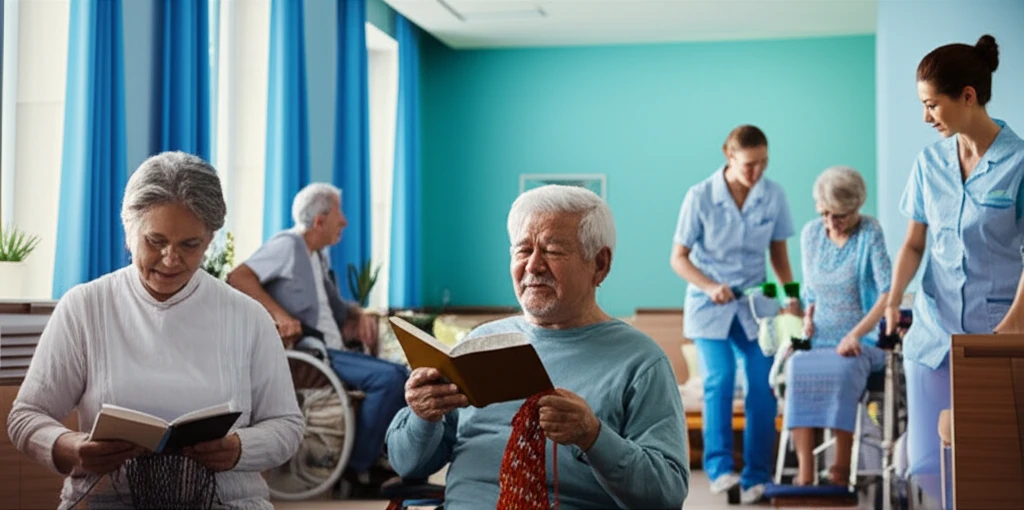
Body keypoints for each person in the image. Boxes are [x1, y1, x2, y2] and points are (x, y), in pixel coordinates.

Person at [6, 151, 304, 509]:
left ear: (209, 240)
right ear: (129, 231)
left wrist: (239, 449)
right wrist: (71, 448)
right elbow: (26, 416)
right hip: (111, 502)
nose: (170, 259)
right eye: (155, 241)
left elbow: (287, 425)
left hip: (226, 502)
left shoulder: (248, 316)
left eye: (189, 245)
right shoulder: (86, 307)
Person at [385, 185, 689, 509]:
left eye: (553, 251)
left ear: (599, 265)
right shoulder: (478, 344)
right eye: (522, 250)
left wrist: (593, 436)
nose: (533, 266)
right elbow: (407, 465)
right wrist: (422, 417)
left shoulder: (641, 362)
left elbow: (665, 495)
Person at [884, 34, 1024, 499]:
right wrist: (892, 299)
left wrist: (1013, 325)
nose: (925, 117)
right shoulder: (930, 162)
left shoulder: (1019, 164)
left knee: (989, 466)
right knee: (930, 463)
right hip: (931, 335)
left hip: (995, 338)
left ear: (968, 96)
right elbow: (913, 243)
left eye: (932, 105)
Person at [227, 182, 408, 489]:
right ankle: (356, 469)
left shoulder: (317, 257)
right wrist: (280, 316)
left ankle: (379, 460)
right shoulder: (288, 245)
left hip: (334, 350)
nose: (346, 222)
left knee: (400, 373)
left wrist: (359, 313)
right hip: (313, 353)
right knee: (390, 379)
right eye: (340, 214)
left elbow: (336, 307)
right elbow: (238, 276)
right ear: (319, 221)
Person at [669, 124, 797, 503]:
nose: (757, 172)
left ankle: (757, 474)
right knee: (720, 380)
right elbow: (678, 258)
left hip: (754, 306)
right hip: (710, 306)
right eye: (749, 165)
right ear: (729, 156)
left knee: (763, 385)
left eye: (763, 163)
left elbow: (779, 254)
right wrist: (710, 285)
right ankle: (721, 469)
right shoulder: (700, 196)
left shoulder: (773, 195)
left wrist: (791, 297)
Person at [786, 167, 891, 486]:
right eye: (825, 213)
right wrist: (804, 315)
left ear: (857, 207)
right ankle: (805, 474)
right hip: (816, 336)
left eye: (841, 215)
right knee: (795, 367)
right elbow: (808, 291)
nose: (831, 222)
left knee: (842, 372)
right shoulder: (811, 234)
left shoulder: (870, 232)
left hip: (863, 339)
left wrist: (856, 334)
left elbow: (888, 291)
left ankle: (839, 471)